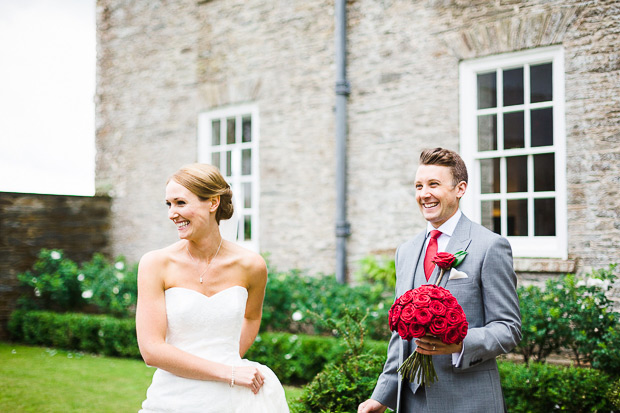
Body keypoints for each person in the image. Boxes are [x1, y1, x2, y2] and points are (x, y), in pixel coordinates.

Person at [358, 148, 521, 413]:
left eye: (434, 184)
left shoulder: (490, 246)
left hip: (469, 401)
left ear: (460, 189)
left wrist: (460, 343)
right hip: (412, 402)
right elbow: (400, 337)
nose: (424, 194)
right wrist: (382, 396)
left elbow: (508, 328)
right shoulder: (406, 251)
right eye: (419, 186)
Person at [136, 163, 289, 413]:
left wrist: (230, 358)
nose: (172, 213)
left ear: (212, 203)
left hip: (233, 399)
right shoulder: (155, 264)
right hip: (173, 396)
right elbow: (151, 350)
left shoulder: (251, 265)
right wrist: (226, 372)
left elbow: (251, 316)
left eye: (180, 203)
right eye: (169, 204)